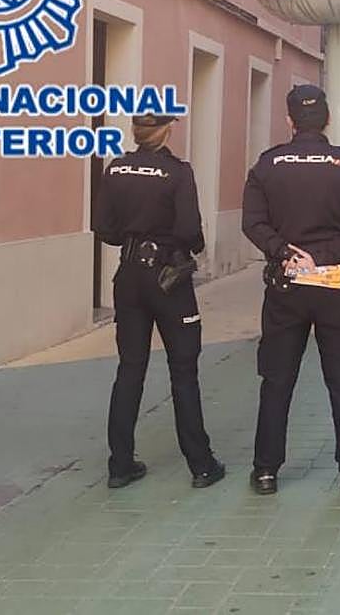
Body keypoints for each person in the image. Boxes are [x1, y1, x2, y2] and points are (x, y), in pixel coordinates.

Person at [241, 85, 340, 496]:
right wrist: (324, 257)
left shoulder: (267, 166)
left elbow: (253, 223)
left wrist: (286, 252)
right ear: (327, 120)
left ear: (289, 121)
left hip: (285, 283)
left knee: (277, 378)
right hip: (332, 284)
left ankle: (265, 471)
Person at [91, 114, 225, 490]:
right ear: (166, 132)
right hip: (169, 279)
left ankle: (120, 465)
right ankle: (201, 466)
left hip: (129, 276)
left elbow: (104, 228)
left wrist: (133, 236)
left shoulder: (116, 170)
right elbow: (189, 230)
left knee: (130, 369)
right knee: (183, 370)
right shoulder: (178, 172)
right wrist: (190, 247)